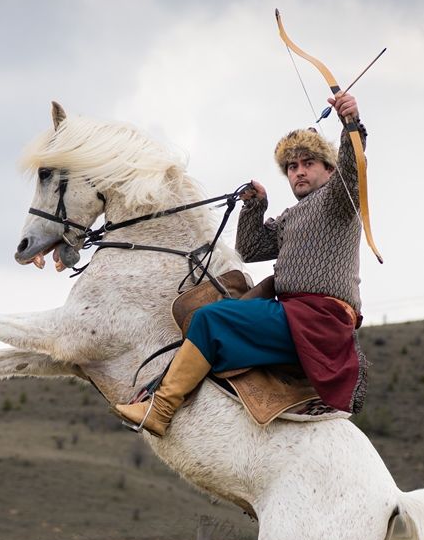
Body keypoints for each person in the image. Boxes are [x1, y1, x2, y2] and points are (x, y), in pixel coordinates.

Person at [115, 92, 368, 437]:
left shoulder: (340, 201)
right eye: (292, 167)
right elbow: (248, 249)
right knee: (208, 311)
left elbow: (353, 172)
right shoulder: (291, 217)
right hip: (290, 316)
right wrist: (255, 206)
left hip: (319, 320)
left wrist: (351, 123)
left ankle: (159, 410)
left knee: (209, 318)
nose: (299, 172)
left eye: (308, 163)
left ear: (329, 168)